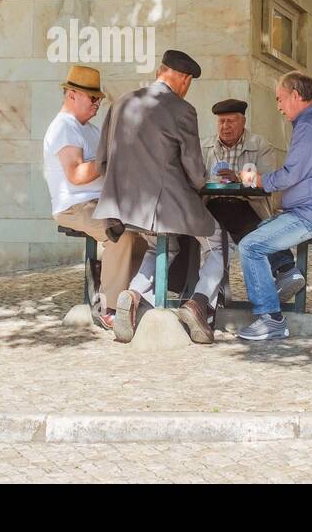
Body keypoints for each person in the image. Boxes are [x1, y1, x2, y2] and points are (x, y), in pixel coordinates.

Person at [94, 49, 220, 345]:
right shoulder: (182, 110)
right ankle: (198, 304)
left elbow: (102, 162)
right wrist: (206, 180)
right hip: (162, 209)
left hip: (120, 208)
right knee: (218, 243)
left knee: (163, 246)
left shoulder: (121, 102)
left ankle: (133, 294)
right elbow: (195, 173)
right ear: (185, 80)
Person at [238, 72, 312, 341]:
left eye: (280, 99)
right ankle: (287, 273)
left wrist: (259, 180)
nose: (279, 106)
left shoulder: (310, 126)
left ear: (296, 95)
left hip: (311, 214)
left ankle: (270, 318)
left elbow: (290, 173)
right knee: (261, 226)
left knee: (250, 246)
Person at [45, 66, 146, 329]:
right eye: (93, 98)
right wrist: (112, 158)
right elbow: (76, 174)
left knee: (146, 232)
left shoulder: (88, 128)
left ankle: (129, 296)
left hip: (101, 201)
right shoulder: (63, 127)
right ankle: (110, 306)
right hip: (75, 205)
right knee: (118, 232)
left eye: (99, 98)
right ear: (72, 95)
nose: (98, 103)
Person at [200, 98, 307, 313]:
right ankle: (285, 267)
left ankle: (214, 289)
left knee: (233, 208)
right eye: (221, 122)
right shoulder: (205, 146)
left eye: (231, 121)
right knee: (222, 209)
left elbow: (267, 182)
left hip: (250, 207)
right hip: (209, 208)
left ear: (243, 122)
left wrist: (238, 179)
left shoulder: (260, 145)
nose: (225, 127)